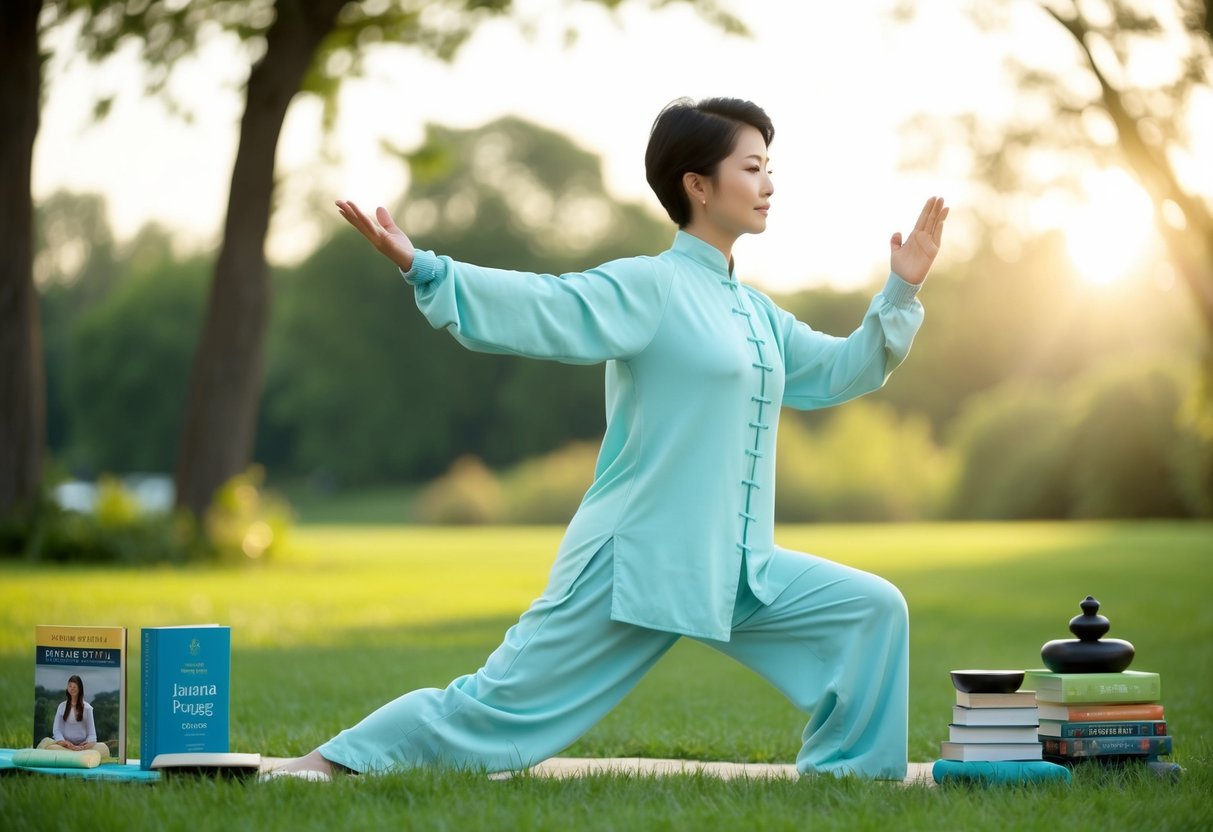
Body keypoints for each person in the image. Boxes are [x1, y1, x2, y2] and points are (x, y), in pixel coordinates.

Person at [271, 97, 948, 782]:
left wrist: (900, 289)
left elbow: (841, 371)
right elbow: (546, 305)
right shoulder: (649, 286)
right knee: (492, 710)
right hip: (637, 561)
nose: (768, 183)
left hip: (740, 570)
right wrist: (426, 268)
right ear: (698, 185)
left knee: (871, 611)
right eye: (752, 167)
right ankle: (325, 764)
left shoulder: (756, 314)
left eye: (770, 167)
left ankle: (850, 781)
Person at [37, 674, 111, 759]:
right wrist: (65, 743)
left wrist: (84, 746)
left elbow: (92, 735)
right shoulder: (62, 706)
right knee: (48, 745)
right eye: (70, 686)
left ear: (80, 689)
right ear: (67, 688)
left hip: (84, 746)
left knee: (103, 748)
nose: (72, 688)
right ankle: (76, 756)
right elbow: (57, 730)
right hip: (64, 745)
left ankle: (73, 756)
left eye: (75, 687)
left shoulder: (87, 708)